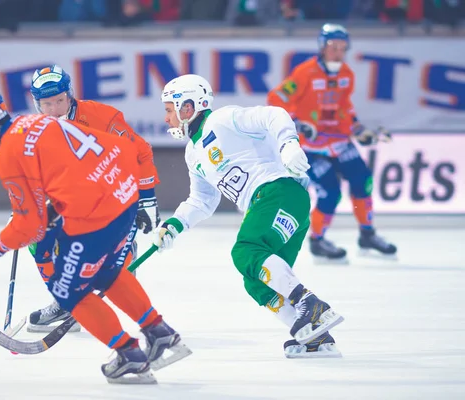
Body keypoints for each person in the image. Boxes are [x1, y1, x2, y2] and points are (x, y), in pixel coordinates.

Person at [0, 88, 189, 383]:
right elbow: (89, 161)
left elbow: (29, 228)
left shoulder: (8, 156)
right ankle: (159, 333)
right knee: (106, 272)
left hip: (97, 214)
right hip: (123, 194)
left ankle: (129, 355)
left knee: (69, 293)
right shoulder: (38, 122)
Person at [154, 74, 344, 358]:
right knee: (255, 279)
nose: (166, 118)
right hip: (276, 205)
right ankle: (314, 338)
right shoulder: (193, 153)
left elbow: (274, 115)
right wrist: (174, 224)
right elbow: (203, 200)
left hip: (278, 192)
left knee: (246, 250)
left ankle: (309, 303)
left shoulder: (223, 119)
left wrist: (288, 145)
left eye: (170, 109)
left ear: (189, 107)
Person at [25, 65, 161, 333]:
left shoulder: (101, 117)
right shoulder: (34, 130)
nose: (54, 109)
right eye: (47, 104)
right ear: (36, 104)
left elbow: (141, 152)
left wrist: (147, 200)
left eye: (60, 101)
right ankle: (66, 301)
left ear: (70, 95)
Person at [267, 23, 397, 262]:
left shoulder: (347, 74)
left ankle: (367, 233)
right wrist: (296, 121)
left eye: (342, 47)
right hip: (310, 145)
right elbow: (276, 97)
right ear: (322, 47)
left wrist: (357, 129)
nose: (337, 51)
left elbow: (344, 107)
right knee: (330, 193)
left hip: (338, 139)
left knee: (363, 180)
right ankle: (317, 240)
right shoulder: (304, 72)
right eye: (332, 46)